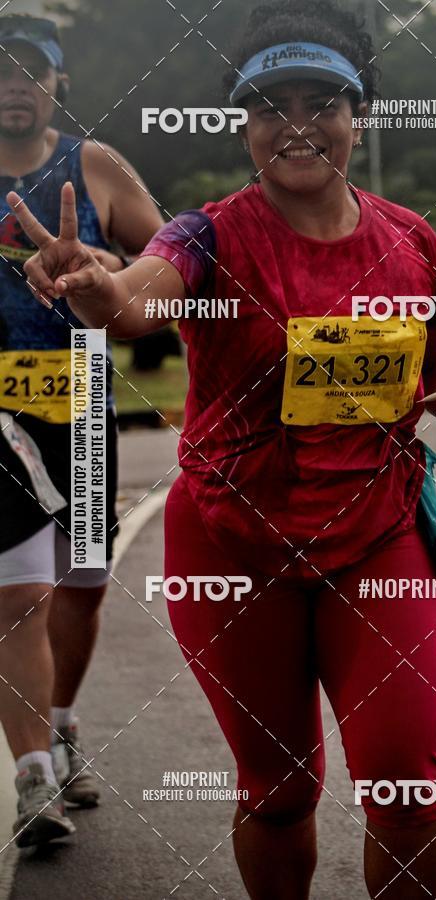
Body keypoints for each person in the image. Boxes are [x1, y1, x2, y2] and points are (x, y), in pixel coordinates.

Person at [7, 0, 436, 891]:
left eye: (323, 102)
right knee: (279, 791)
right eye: (272, 104)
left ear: (360, 114)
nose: (298, 125)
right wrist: (94, 290)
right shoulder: (206, 235)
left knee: (406, 789)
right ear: (242, 120)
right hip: (233, 546)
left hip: (376, 540)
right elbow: (141, 298)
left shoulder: (414, 242)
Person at [0, 14, 163, 848]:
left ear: (57, 83)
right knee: (20, 593)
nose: (14, 87)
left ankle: (60, 725)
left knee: (81, 585)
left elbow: (164, 260)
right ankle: (32, 781)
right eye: (1, 73)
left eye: (31, 73)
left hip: (86, 412)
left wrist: (106, 270)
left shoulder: (92, 165)